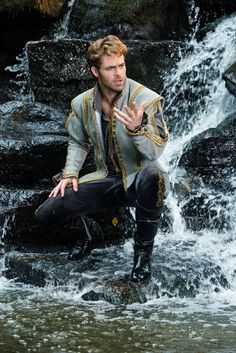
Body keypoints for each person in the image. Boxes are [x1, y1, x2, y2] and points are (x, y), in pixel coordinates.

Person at [35, 35, 169, 282]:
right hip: (105, 179)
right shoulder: (82, 103)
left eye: (121, 65)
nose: (119, 73)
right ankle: (89, 234)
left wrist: (137, 130)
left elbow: (154, 153)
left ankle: (142, 256)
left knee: (155, 175)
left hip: (140, 180)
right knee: (46, 213)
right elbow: (77, 141)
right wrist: (71, 174)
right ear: (95, 71)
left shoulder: (145, 99)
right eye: (110, 68)